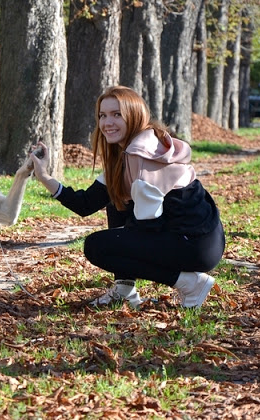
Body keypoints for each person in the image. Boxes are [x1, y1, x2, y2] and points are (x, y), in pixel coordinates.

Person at [30, 86, 225, 309]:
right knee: (116, 200)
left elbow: (149, 227)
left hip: (196, 245)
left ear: (133, 114)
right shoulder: (133, 149)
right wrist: (44, 176)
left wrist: (119, 242)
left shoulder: (139, 155)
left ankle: (191, 284)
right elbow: (86, 203)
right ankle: (124, 289)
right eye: (102, 115)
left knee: (98, 246)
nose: (107, 123)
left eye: (116, 114)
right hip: (206, 239)